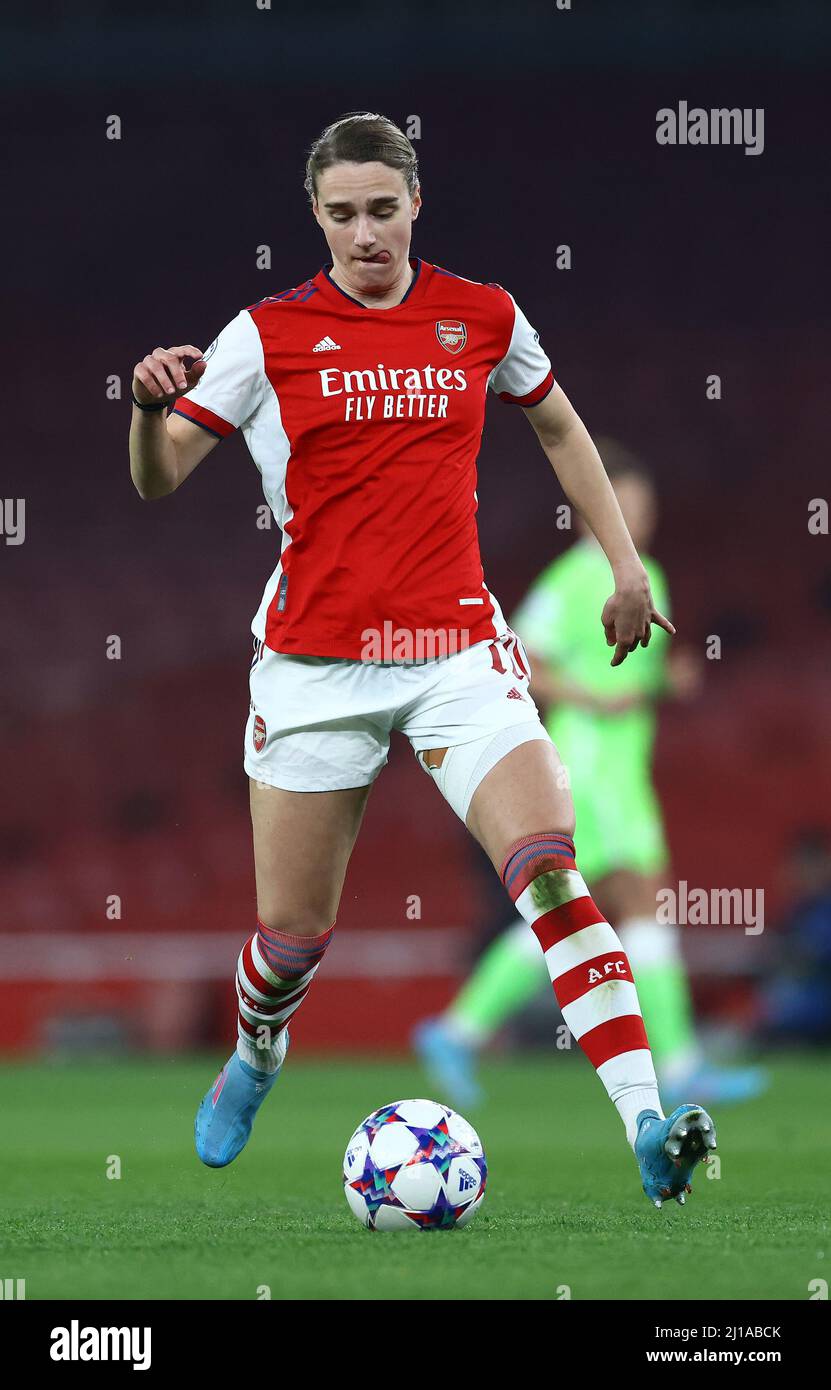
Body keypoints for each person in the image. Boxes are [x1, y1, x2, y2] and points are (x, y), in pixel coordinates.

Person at [128, 111, 715, 1207]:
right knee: (292, 938)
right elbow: (159, 475)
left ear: (415, 206)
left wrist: (624, 567)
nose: (365, 234)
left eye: (383, 210)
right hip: (314, 668)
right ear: (316, 216)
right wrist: (143, 407)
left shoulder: (482, 314)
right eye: (342, 214)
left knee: (550, 866)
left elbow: (560, 429)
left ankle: (646, 1121)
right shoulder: (265, 335)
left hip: (457, 652)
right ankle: (258, 1055)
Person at [415, 446, 766, 1107]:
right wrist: (584, 696)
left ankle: (458, 1030)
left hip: (625, 768)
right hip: (586, 763)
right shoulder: (575, 577)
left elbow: (632, 673)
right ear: (587, 512)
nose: (634, 517)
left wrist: (668, 677)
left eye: (641, 505)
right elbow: (519, 656)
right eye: (621, 504)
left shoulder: (647, 575)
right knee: (630, 904)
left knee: (586, 913)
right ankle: (681, 1063)